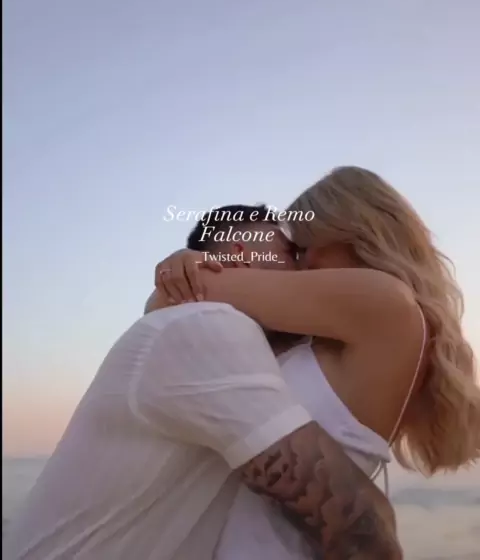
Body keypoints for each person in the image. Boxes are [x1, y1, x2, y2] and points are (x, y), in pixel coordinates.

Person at [3, 204, 401, 560]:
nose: (304, 267)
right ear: (242, 253)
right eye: (288, 251)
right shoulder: (209, 326)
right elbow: (359, 529)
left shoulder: (199, 331)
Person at [150, 167, 480, 559]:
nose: (299, 265)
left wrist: (186, 266)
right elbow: (165, 314)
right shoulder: (317, 337)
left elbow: (177, 299)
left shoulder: (386, 303)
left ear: (352, 233)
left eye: (302, 248)